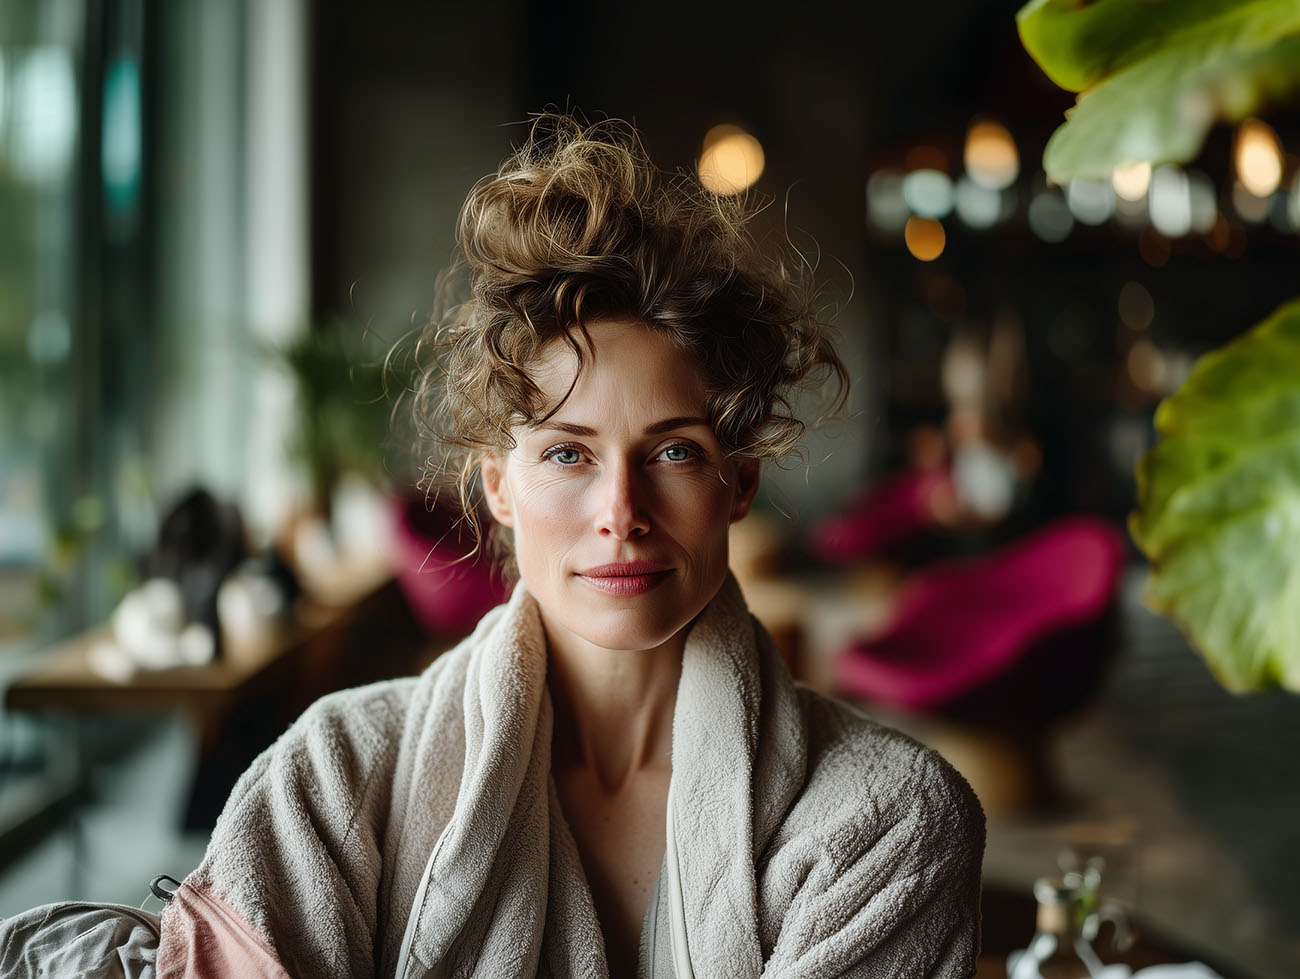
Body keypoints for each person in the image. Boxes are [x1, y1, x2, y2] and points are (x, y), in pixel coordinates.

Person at [0, 115, 984, 979]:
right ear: (497, 486)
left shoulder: (889, 820)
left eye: (673, 450)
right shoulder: (338, 776)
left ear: (739, 481)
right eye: (567, 453)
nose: (621, 510)